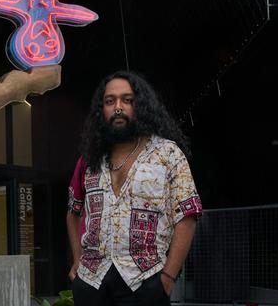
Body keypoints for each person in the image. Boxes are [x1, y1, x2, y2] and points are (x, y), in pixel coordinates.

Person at [67, 71, 201, 306]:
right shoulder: (89, 159)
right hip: (91, 281)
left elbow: (187, 215)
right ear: (102, 110)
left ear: (141, 106)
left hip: (145, 282)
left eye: (127, 100)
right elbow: (73, 211)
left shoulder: (167, 154)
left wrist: (168, 276)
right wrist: (77, 260)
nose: (118, 107)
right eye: (110, 101)